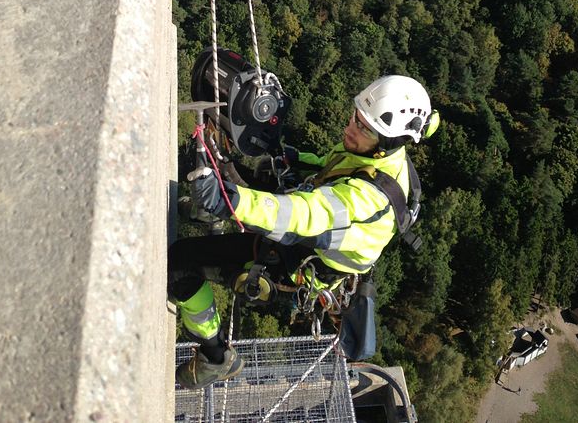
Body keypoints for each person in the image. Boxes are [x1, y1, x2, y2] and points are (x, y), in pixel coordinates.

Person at [168, 74, 437, 389]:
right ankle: (207, 208)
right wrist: (292, 158)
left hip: (295, 263)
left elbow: (305, 215)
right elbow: (331, 168)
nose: (350, 128)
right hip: (307, 236)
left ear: (388, 142)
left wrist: (230, 200)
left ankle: (216, 358)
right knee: (261, 174)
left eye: (363, 127)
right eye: (356, 117)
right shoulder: (377, 154)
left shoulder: (370, 199)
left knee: (179, 265)